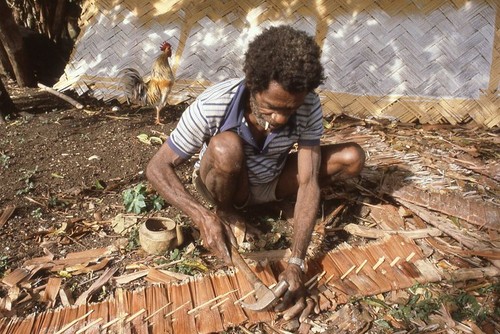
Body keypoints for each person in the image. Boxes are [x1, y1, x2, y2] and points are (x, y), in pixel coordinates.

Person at [146, 25, 365, 321]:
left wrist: (297, 261)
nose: (281, 118)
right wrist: (202, 216)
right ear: (253, 84)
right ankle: (226, 212)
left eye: (291, 109)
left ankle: (269, 205)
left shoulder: (308, 105)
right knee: (226, 148)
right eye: (272, 107)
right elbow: (157, 167)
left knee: (352, 157)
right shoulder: (215, 103)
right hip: (225, 181)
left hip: (271, 179)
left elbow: (309, 181)